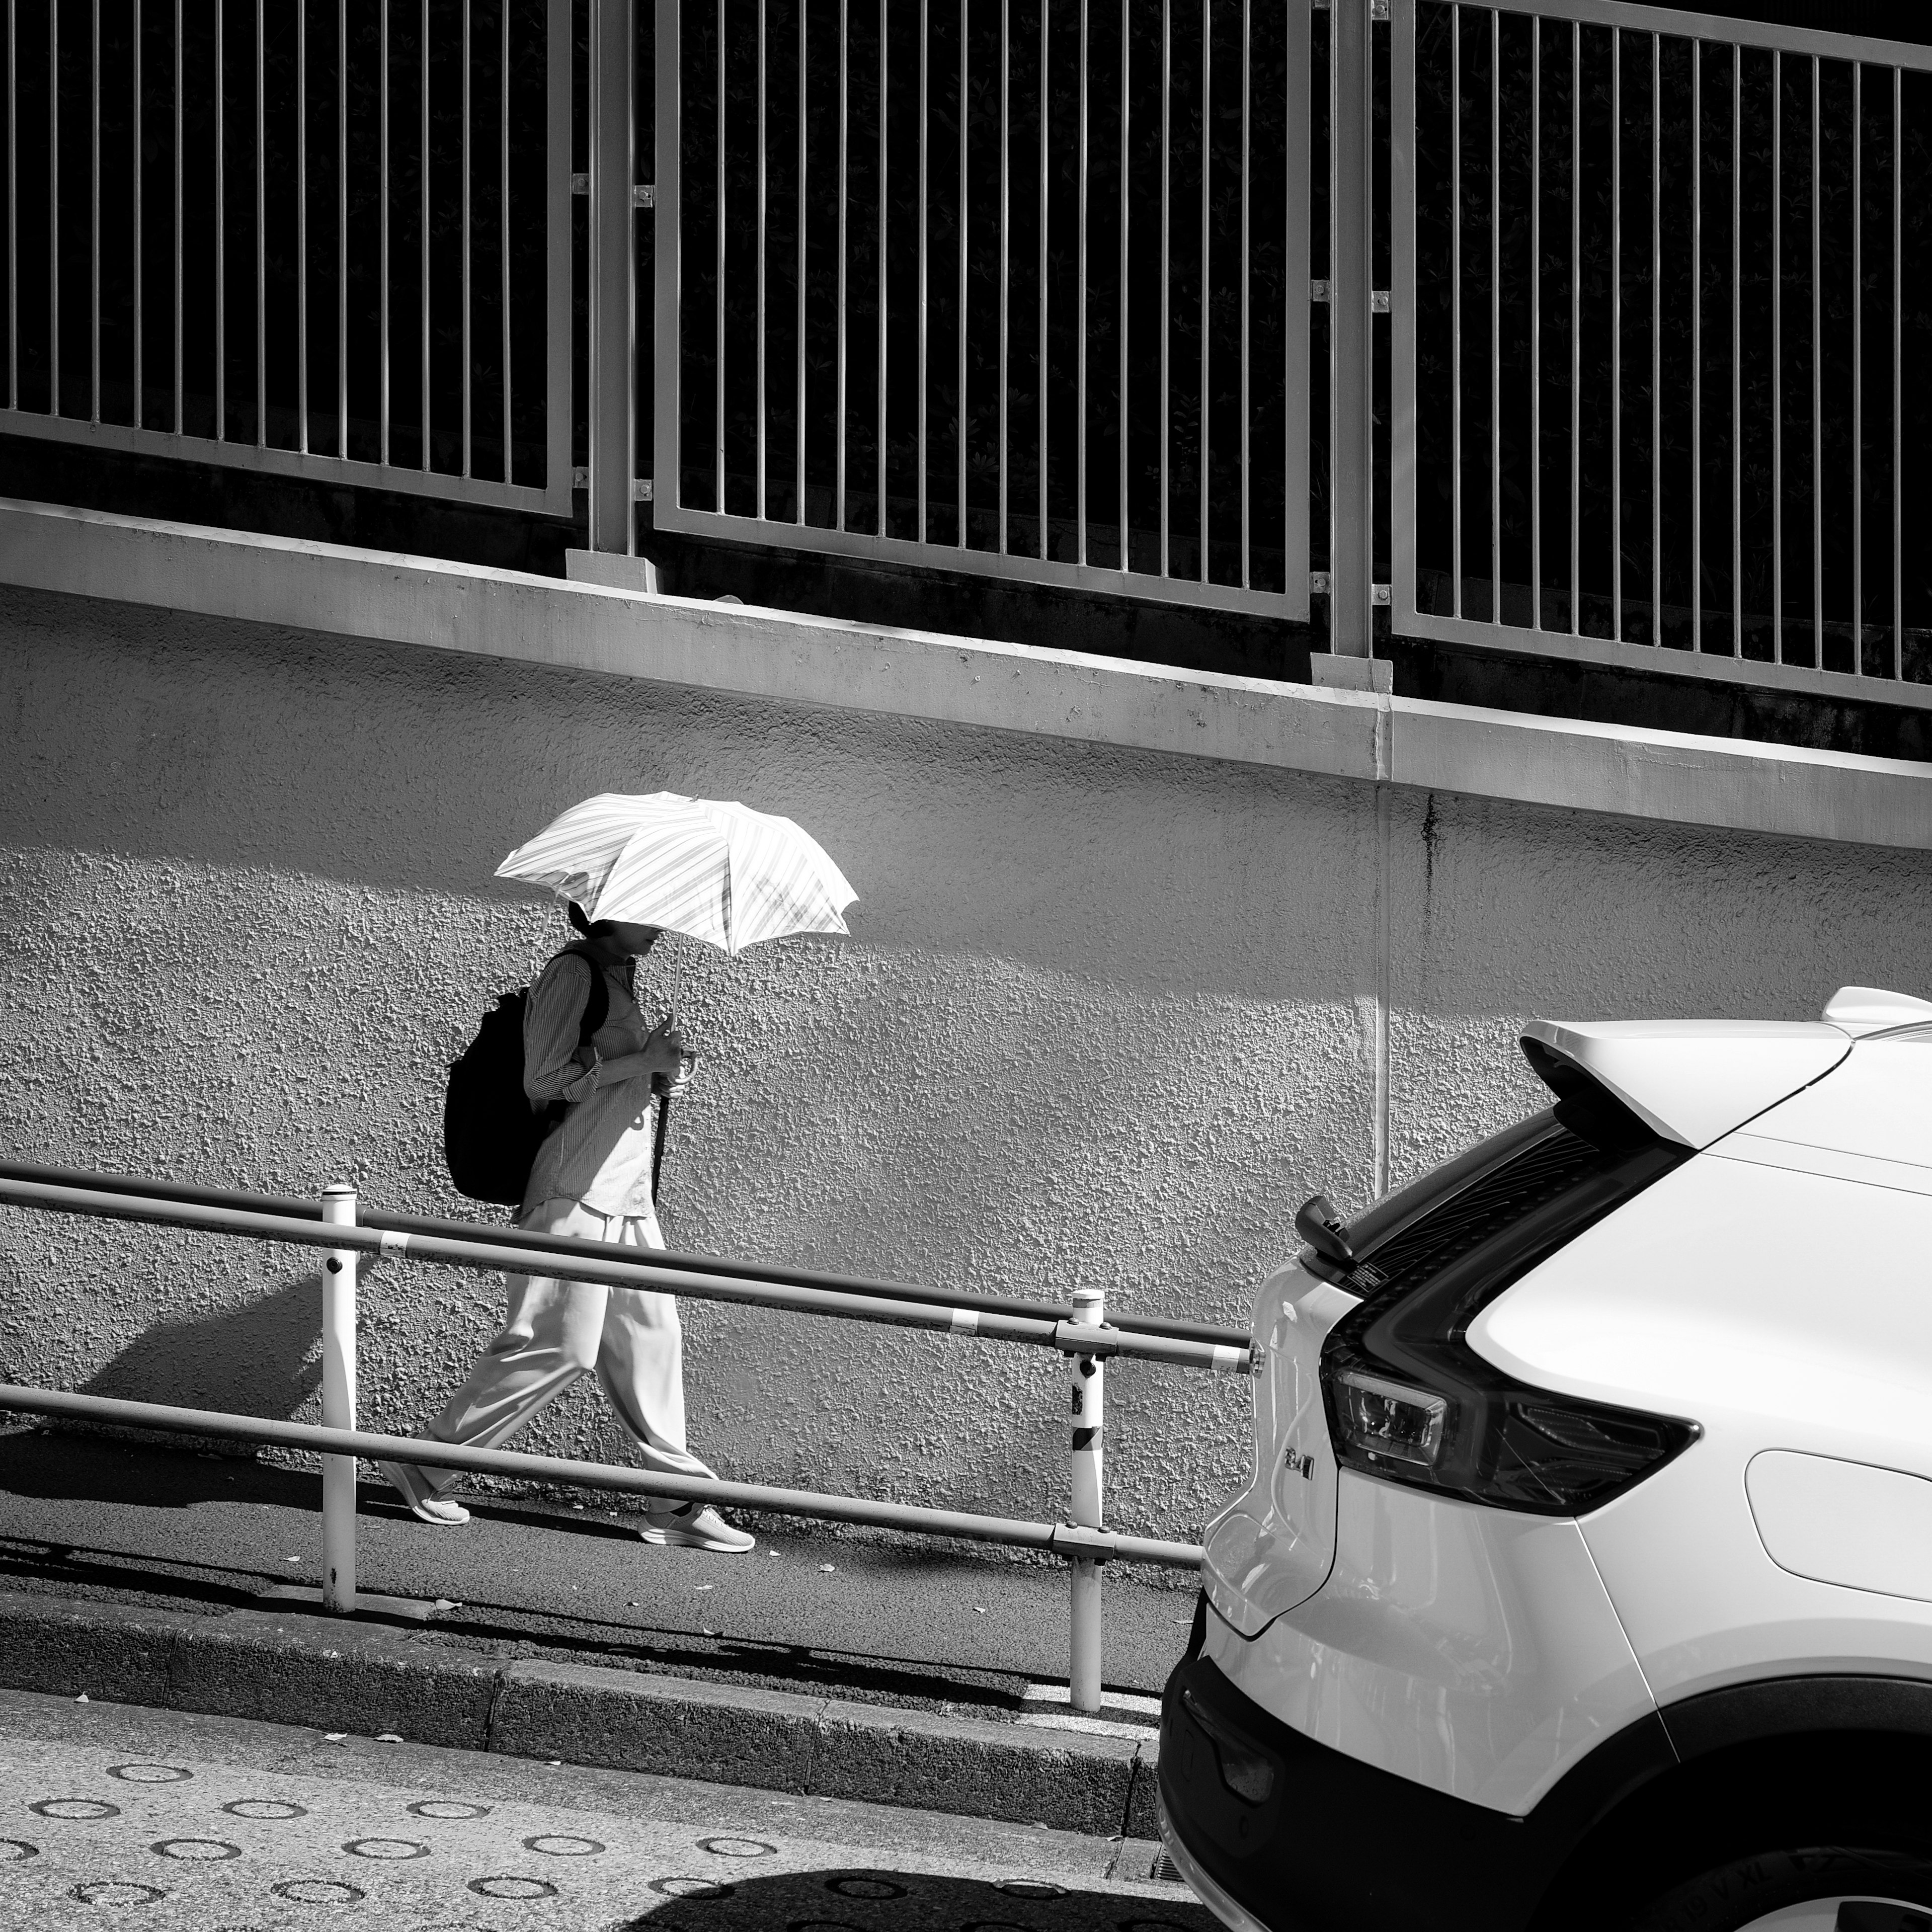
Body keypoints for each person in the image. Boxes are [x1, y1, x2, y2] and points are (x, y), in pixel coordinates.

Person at [377, 907, 754, 1553]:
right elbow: (544, 1079)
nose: (664, 924)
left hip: (627, 1192)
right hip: (574, 1186)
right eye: (651, 915)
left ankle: (679, 1502)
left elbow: (617, 1078)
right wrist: (641, 1063)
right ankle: (427, 1464)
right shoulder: (570, 973)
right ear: (610, 913)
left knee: (651, 1340)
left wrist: (664, 1071)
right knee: (558, 1345)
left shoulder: (619, 976)